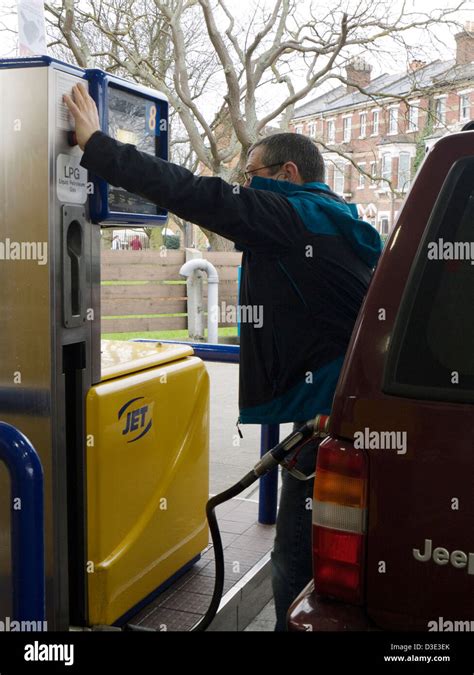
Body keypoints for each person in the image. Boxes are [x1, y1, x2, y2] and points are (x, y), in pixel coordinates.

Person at [64, 83, 382, 630]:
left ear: (286, 175)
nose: (243, 186)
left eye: (250, 174)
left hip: (325, 425)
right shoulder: (337, 219)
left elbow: (196, 193)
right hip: (346, 412)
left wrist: (98, 147)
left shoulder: (292, 215)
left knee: (294, 561)